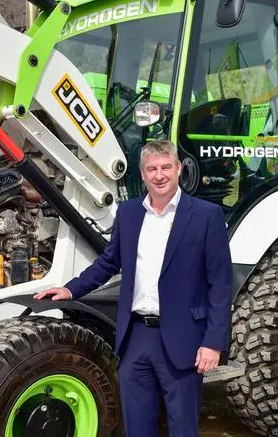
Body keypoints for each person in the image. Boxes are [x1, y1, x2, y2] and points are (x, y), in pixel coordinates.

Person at [34, 139, 232, 436]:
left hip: (183, 339)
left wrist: (213, 342)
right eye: (152, 169)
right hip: (136, 337)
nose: (159, 175)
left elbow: (220, 283)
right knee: (137, 427)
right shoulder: (128, 213)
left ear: (179, 169)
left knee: (182, 427)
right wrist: (71, 290)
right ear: (142, 174)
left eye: (166, 167)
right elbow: (109, 262)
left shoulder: (206, 215)